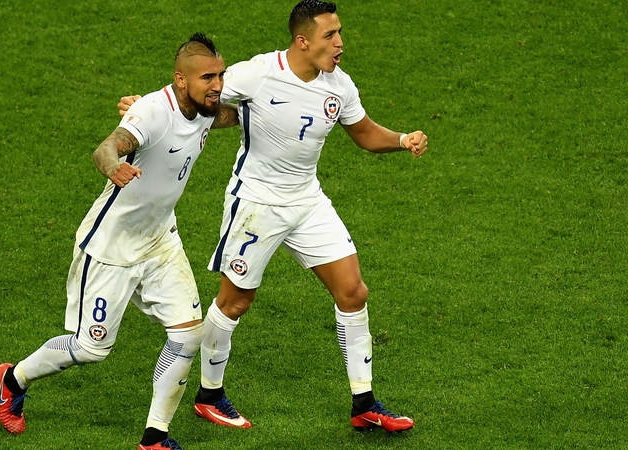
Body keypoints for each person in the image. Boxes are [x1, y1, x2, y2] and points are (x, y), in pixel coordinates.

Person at [118, 0, 429, 434]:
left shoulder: (338, 86)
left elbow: (364, 134)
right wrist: (148, 108)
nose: (340, 43)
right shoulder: (259, 73)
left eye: (339, 34)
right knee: (235, 302)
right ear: (303, 41)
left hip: (307, 202)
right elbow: (199, 96)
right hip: (256, 205)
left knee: (353, 292)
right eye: (330, 35)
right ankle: (209, 395)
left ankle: (364, 404)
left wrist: (401, 139)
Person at [0, 33, 238, 450]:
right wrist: (113, 168)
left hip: (161, 239)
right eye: (207, 78)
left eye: (220, 75)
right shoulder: (151, 113)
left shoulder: (205, 109)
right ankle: (13, 379)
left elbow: (231, 116)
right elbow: (107, 147)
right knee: (91, 349)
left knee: (187, 335)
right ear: (181, 79)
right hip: (112, 247)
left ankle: (154, 438)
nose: (216, 85)